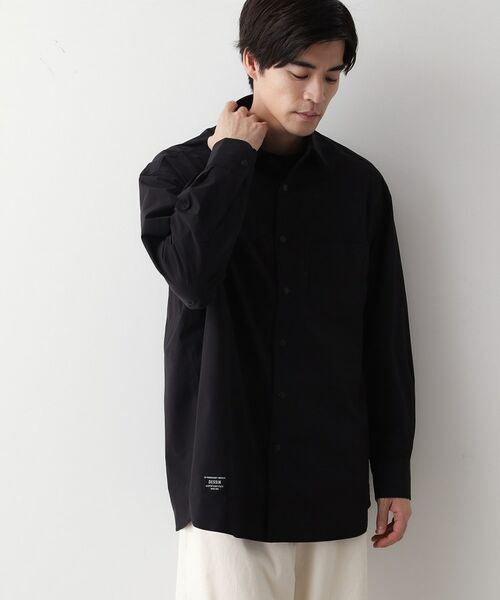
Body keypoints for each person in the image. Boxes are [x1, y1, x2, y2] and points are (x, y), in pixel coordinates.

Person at [138, 1, 416, 598]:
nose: (317, 94)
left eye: (332, 77)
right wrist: (231, 160)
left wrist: (393, 472)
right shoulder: (179, 173)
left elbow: (384, 336)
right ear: (252, 61)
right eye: (299, 72)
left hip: (330, 480)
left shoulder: (359, 187)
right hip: (225, 480)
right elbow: (191, 278)